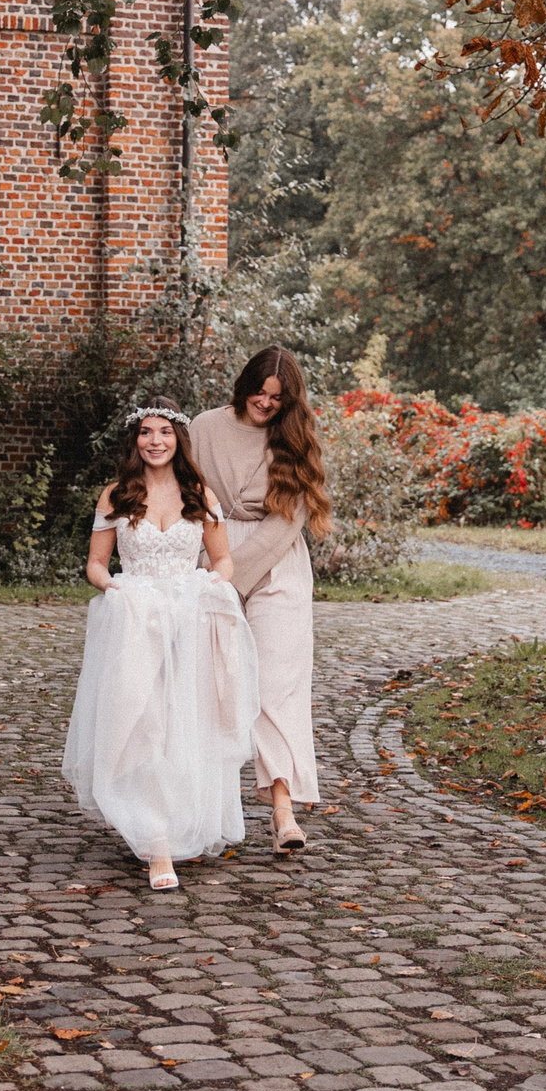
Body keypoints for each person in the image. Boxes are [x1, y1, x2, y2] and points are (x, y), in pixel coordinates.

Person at [61, 398, 262, 891]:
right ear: (135, 440)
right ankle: (154, 841)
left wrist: (215, 583)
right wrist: (113, 587)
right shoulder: (116, 495)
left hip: (190, 616)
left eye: (165, 433)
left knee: (185, 723)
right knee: (141, 719)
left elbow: (223, 560)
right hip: (137, 617)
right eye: (146, 433)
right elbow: (95, 564)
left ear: (178, 440)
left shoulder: (199, 493)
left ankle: (175, 824)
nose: (155, 441)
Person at [191, 348, 330, 853]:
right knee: (212, 686)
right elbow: (187, 496)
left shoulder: (293, 439)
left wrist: (236, 578)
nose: (267, 404)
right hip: (212, 558)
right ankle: (202, 804)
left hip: (277, 567)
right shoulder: (204, 427)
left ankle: (283, 810)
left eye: (278, 398)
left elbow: (289, 519)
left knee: (277, 687)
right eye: (260, 392)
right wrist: (211, 570)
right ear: (243, 383)